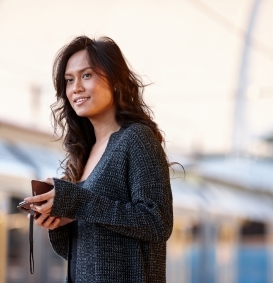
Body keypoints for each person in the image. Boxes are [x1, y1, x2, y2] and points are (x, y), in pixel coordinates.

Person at [24, 36, 173, 283]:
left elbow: (157, 222)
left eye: (87, 75)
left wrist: (77, 203)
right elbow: (92, 251)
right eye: (69, 80)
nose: (76, 88)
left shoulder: (136, 138)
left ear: (115, 80)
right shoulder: (85, 153)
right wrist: (60, 222)